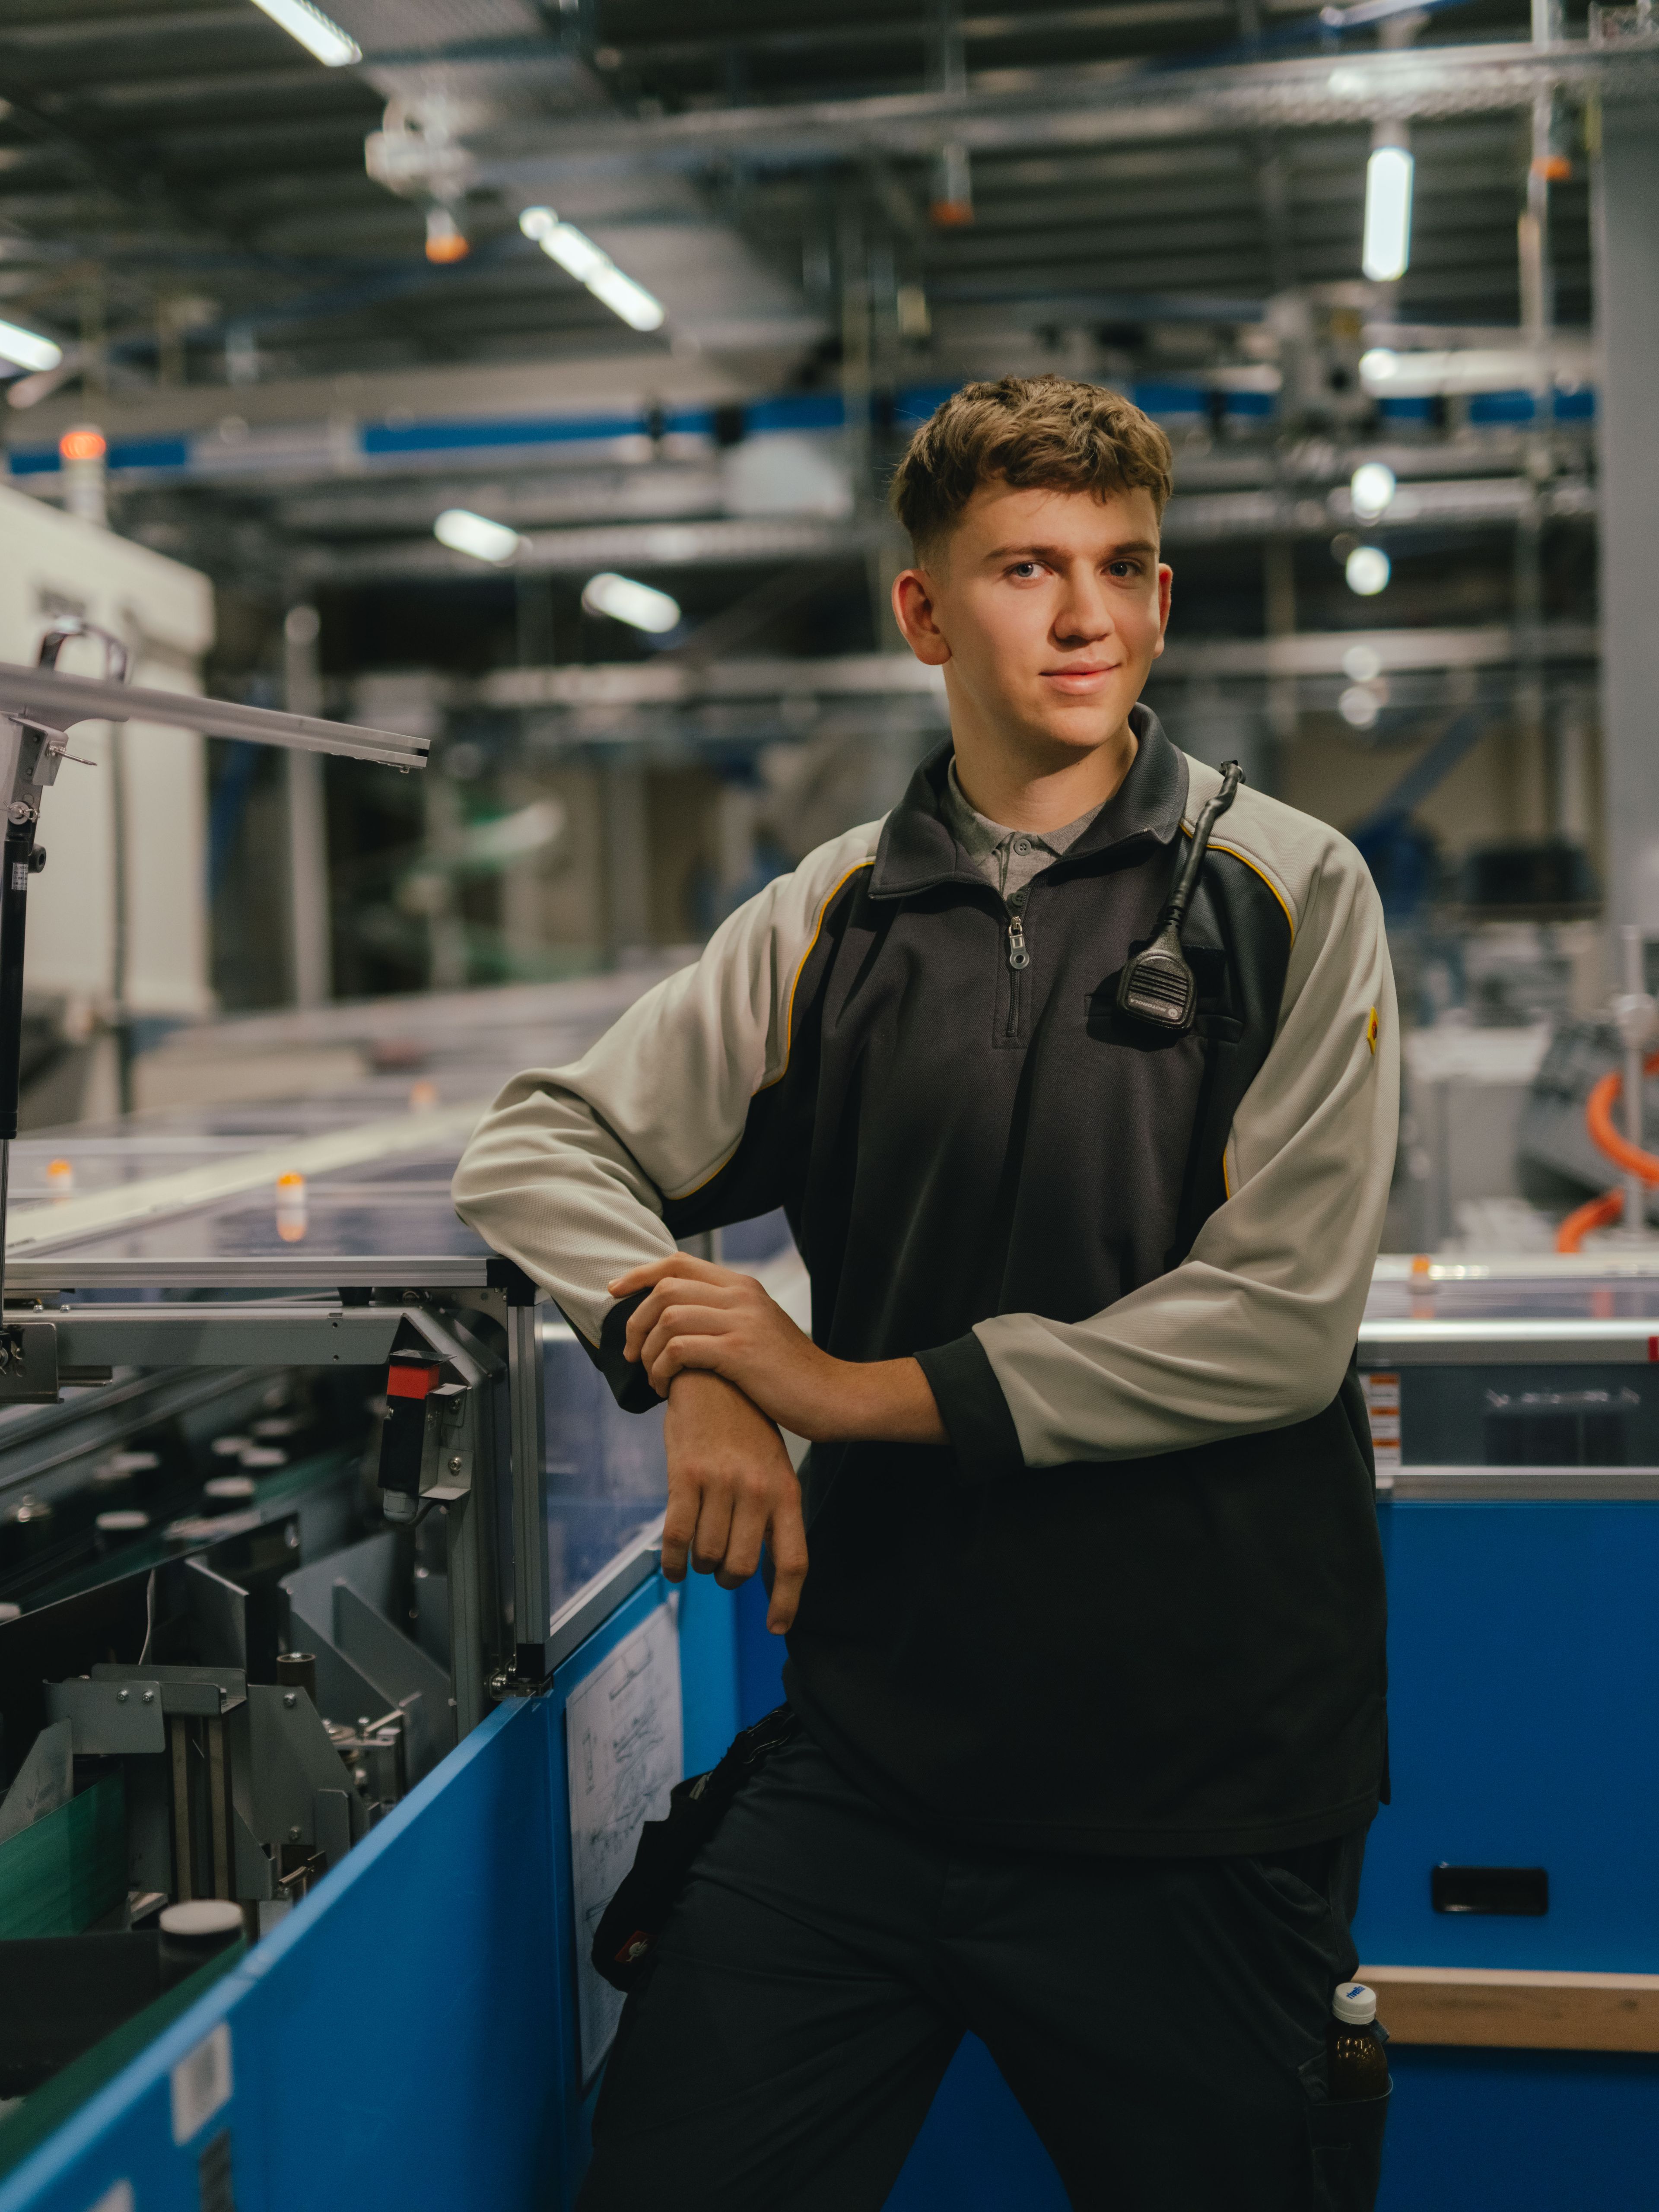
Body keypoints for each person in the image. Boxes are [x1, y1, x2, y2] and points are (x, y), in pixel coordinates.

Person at [452, 372, 1398, 2211]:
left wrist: (834, 1387)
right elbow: (538, 1144)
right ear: (922, 612)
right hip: (879, 1760)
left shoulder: (1289, 890)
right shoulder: (831, 917)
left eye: (1123, 566)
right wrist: (698, 1351)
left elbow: (1277, 1326)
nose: (1086, 615)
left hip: (1195, 1789)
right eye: (1027, 566)